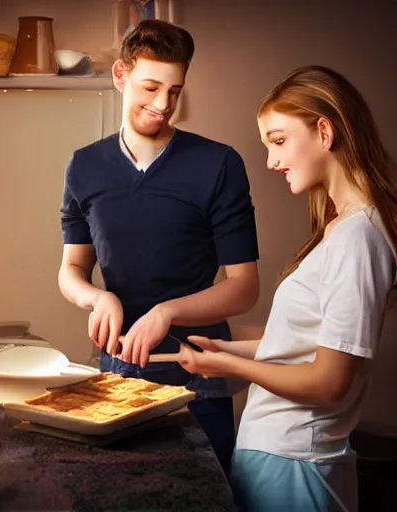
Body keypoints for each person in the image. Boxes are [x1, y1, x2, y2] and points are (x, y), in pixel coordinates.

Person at [177, 64, 397, 511]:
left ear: (324, 130)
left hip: (294, 461)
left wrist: (229, 369)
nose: (272, 162)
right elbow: (304, 349)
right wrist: (222, 350)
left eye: (279, 141)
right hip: (281, 456)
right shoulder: (342, 229)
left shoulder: (359, 237)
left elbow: (329, 381)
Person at [58, 19, 259, 477]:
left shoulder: (219, 164)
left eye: (174, 90)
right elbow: (71, 269)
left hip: (200, 378)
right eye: (151, 87)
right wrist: (97, 297)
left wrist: (167, 312)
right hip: (117, 375)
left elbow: (244, 288)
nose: (163, 105)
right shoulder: (84, 166)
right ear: (120, 75)